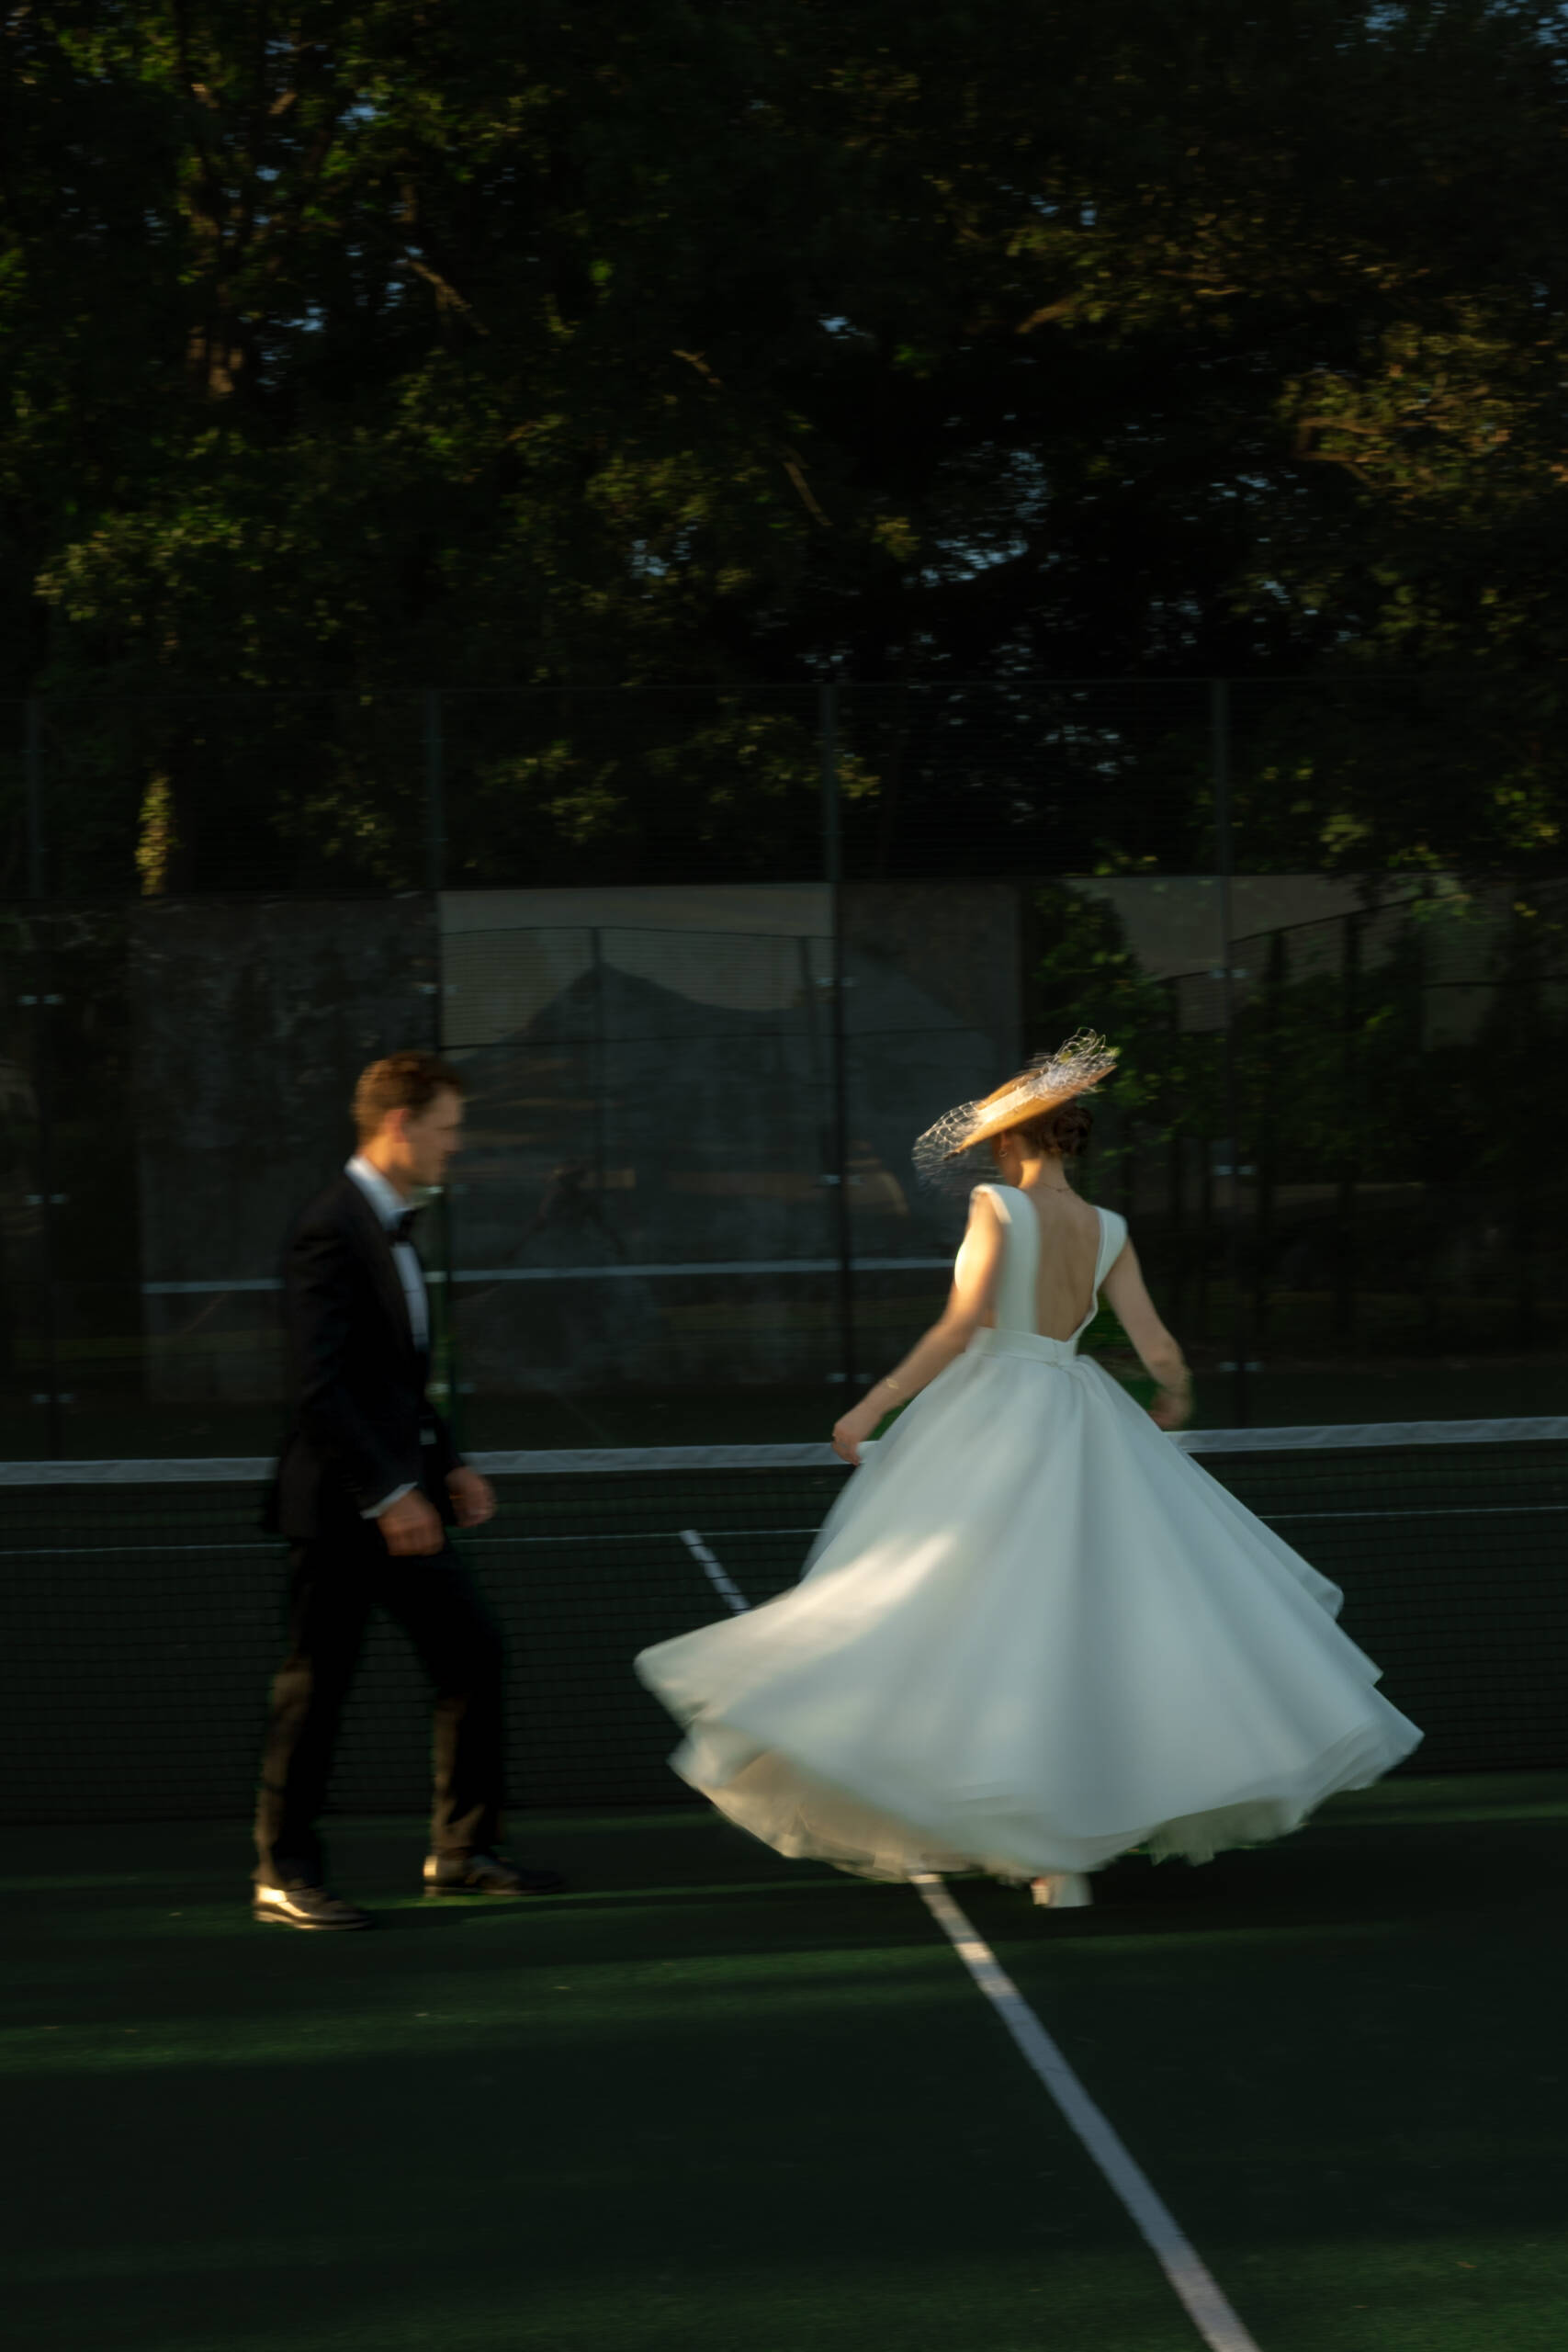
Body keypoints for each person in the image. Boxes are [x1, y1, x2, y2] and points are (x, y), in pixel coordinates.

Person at [635, 1034, 1421, 1906]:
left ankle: (1026, 1837)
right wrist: (1173, 1394)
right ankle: (1060, 1854)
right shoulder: (1109, 1228)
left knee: (957, 1601)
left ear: (1011, 1140)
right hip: (1080, 1413)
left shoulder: (997, 1208)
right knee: (1075, 1619)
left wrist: (870, 1408)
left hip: (994, 1412)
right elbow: (1157, 1345)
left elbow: (958, 1326)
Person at [253, 1050, 563, 1929]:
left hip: (402, 1506)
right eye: (446, 1129)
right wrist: (389, 1496)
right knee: (315, 1690)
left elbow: (393, 1383)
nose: (455, 1145)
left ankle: (461, 1852)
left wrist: (446, 1464)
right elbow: (320, 1390)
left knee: (472, 1654)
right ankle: (282, 1872)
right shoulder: (329, 1229)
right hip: (340, 1511)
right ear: (400, 1125)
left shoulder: (388, 1226)